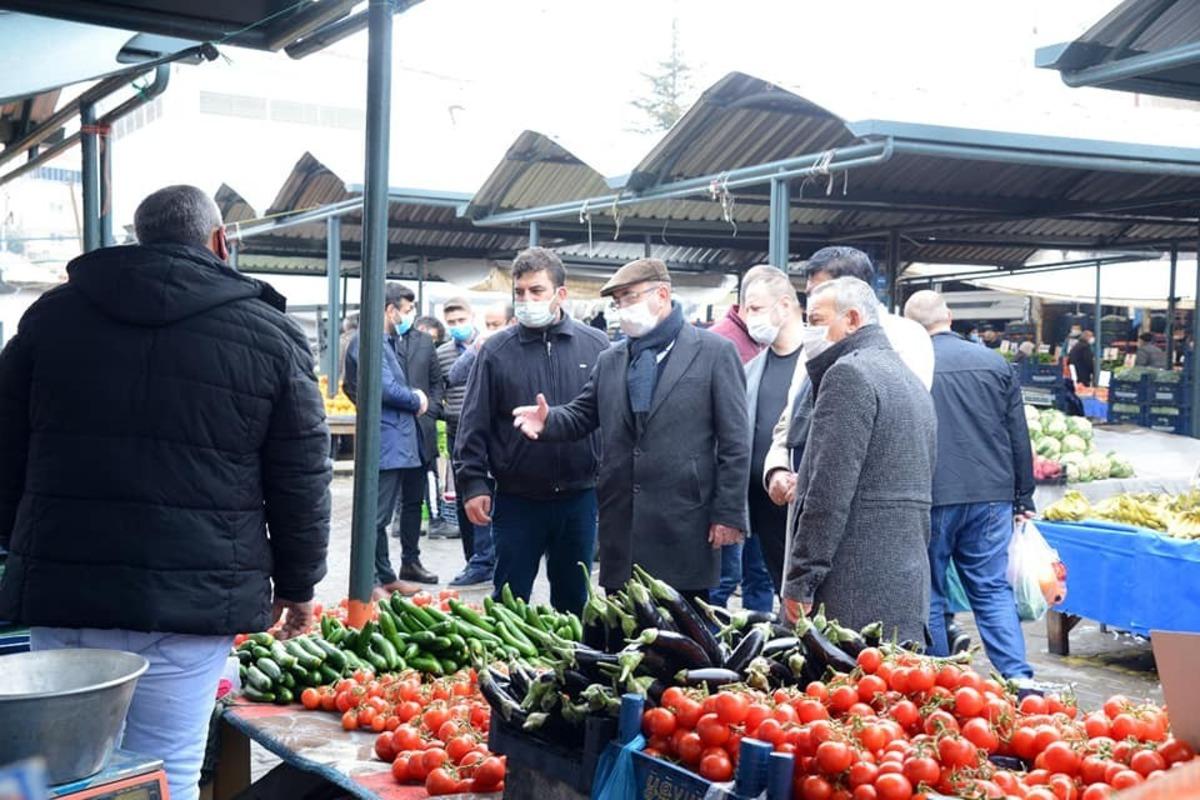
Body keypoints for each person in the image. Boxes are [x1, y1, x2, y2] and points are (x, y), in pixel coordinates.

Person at [0, 185, 331, 800]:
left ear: (139, 237)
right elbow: (300, 476)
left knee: (53, 776)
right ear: (219, 242)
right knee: (169, 768)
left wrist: (16, 542)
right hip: (192, 601)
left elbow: (5, 446)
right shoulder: (269, 334)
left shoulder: (52, 318)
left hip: (64, 592)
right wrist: (298, 586)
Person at [512, 258, 749, 600]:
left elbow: (735, 442)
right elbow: (582, 414)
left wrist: (728, 512)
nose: (623, 308)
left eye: (630, 297)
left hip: (685, 520)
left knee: (686, 635)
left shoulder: (714, 353)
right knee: (625, 631)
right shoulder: (612, 359)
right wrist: (549, 420)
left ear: (662, 294)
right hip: (623, 521)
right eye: (618, 301)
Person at [781, 277, 935, 643]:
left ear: (852, 319)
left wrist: (802, 581)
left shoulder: (848, 376)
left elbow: (827, 493)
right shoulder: (907, 379)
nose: (809, 332)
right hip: (904, 584)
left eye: (817, 320)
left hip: (850, 589)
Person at [454, 249, 608, 614]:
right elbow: (473, 422)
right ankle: (505, 670)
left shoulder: (598, 346)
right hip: (517, 500)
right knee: (509, 600)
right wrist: (473, 483)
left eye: (536, 291)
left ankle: (571, 667)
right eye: (519, 293)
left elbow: (611, 417)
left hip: (579, 497)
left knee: (574, 600)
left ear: (561, 294)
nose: (526, 301)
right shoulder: (495, 351)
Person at [904, 290, 1036, 680]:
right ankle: (1019, 679)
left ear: (910, 324)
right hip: (991, 496)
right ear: (948, 315)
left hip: (931, 494)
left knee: (928, 591)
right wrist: (1022, 496)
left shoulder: (910, 364)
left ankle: (943, 680)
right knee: (992, 590)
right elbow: (1018, 434)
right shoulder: (993, 362)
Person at [763, 246, 932, 526]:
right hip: (805, 504)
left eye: (821, 293)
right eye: (809, 294)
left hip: (866, 514)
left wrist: (818, 484)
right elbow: (790, 417)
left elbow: (897, 427)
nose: (812, 305)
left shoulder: (905, 338)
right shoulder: (815, 339)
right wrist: (777, 468)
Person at [711, 266, 802, 612]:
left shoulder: (819, 362)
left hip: (801, 508)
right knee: (771, 588)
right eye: (746, 309)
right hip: (760, 509)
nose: (748, 317)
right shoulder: (751, 368)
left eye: (756, 308)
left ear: (784, 305)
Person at [344, 284, 430, 594]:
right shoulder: (369, 342)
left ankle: (385, 575)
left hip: (390, 439)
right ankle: (369, 582)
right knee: (374, 516)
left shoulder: (382, 342)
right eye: (406, 311)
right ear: (389, 310)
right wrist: (416, 398)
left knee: (378, 514)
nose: (408, 317)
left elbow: (351, 388)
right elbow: (383, 388)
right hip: (385, 441)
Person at [385, 285, 442, 582]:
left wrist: (429, 410)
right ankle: (380, 568)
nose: (409, 315)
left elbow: (436, 382)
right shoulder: (381, 341)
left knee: (413, 500)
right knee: (383, 504)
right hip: (392, 434)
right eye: (406, 310)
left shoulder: (424, 342)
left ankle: (411, 560)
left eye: (412, 310)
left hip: (420, 432)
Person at [438, 297, 495, 586]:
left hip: (483, 430)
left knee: (483, 491)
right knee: (463, 497)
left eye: (462, 320)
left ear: (473, 317)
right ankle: (473, 557)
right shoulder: (444, 353)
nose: (458, 327)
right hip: (455, 429)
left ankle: (485, 560)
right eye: (452, 323)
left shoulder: (494, 345)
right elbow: (451, 379)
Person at [449, 303, 513, 388]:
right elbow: (455, 377)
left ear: (512, 323)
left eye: (496, 325)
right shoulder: (484, 345)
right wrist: (475, 348)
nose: (491, 329)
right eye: (488, 325)